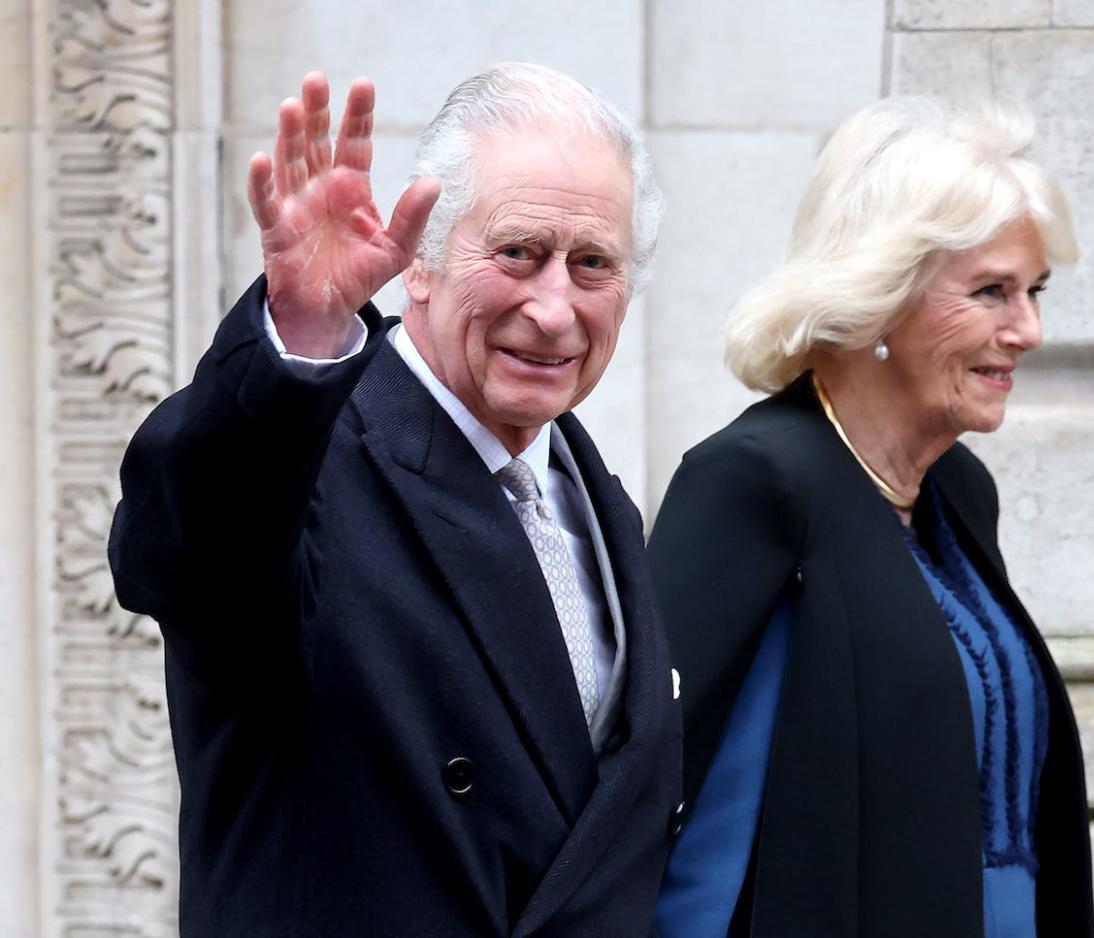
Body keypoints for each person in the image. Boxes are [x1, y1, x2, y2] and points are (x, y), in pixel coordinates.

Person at [108, 63, 682, 937]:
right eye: (518, 253)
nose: (555, 309)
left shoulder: (596, 506)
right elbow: (190, 552)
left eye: (592, 264)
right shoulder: (312, 460)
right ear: (418, 261)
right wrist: (300, 342)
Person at [649, 97, 1094, 937]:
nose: (1028, 329)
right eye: (991, 291)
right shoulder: (754, 482)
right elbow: (673, 798)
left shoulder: (958, 488)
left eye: (1033, 291)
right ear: (881, 296)